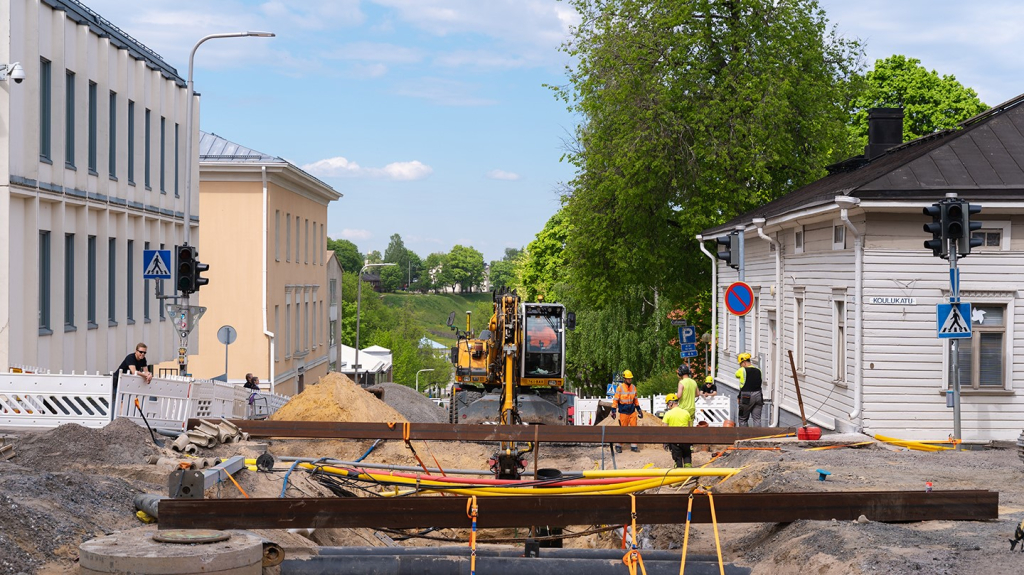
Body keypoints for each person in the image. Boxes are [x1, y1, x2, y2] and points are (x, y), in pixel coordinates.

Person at [611, 369, 643, 453]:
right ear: (624, 378)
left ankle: (634, 446)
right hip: (623, 412)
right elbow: (615, 400)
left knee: (634, 428)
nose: (630, 380)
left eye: (630, 378)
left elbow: (635, 400)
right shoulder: (620, 388)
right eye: (628, 378)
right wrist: (613, 410)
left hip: (632, 411)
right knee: (623, 429)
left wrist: (639, 410)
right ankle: (619, 445)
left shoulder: (633, 387)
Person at [661, 393, 693, 468]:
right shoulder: (686, 413)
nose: (668, 406)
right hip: (686, 441)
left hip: (675, 442)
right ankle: (688, 472)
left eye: (668, 404)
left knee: (677, 459)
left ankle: (679, 472)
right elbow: (690, 428)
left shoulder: (668, 414)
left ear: (671, 403)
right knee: (687, 456)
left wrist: (665, 442)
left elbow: (664, 430)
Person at [735, 352, 764, 426]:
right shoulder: (758, 370)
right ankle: (758, 437)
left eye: (740, 364)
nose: (740, 366)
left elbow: (736, 375)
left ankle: (744, 436)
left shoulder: (742, 370)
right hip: (758, 396)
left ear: (744, 363)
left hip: (746, 397)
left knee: (742, 418)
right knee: (757, 419)